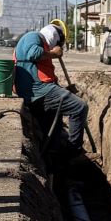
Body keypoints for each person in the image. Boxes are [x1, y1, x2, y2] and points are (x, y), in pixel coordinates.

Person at [13, 19, 86, 156]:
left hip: (38, 89)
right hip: (37, 90)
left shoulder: (42, 44)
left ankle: (53, 154)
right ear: (55, 38)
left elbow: (43, 74)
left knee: (54, 119)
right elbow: (33, 53)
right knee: (79, 107)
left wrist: (62, 89)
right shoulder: (33, 36)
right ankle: (74, 152)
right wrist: (54, 53)